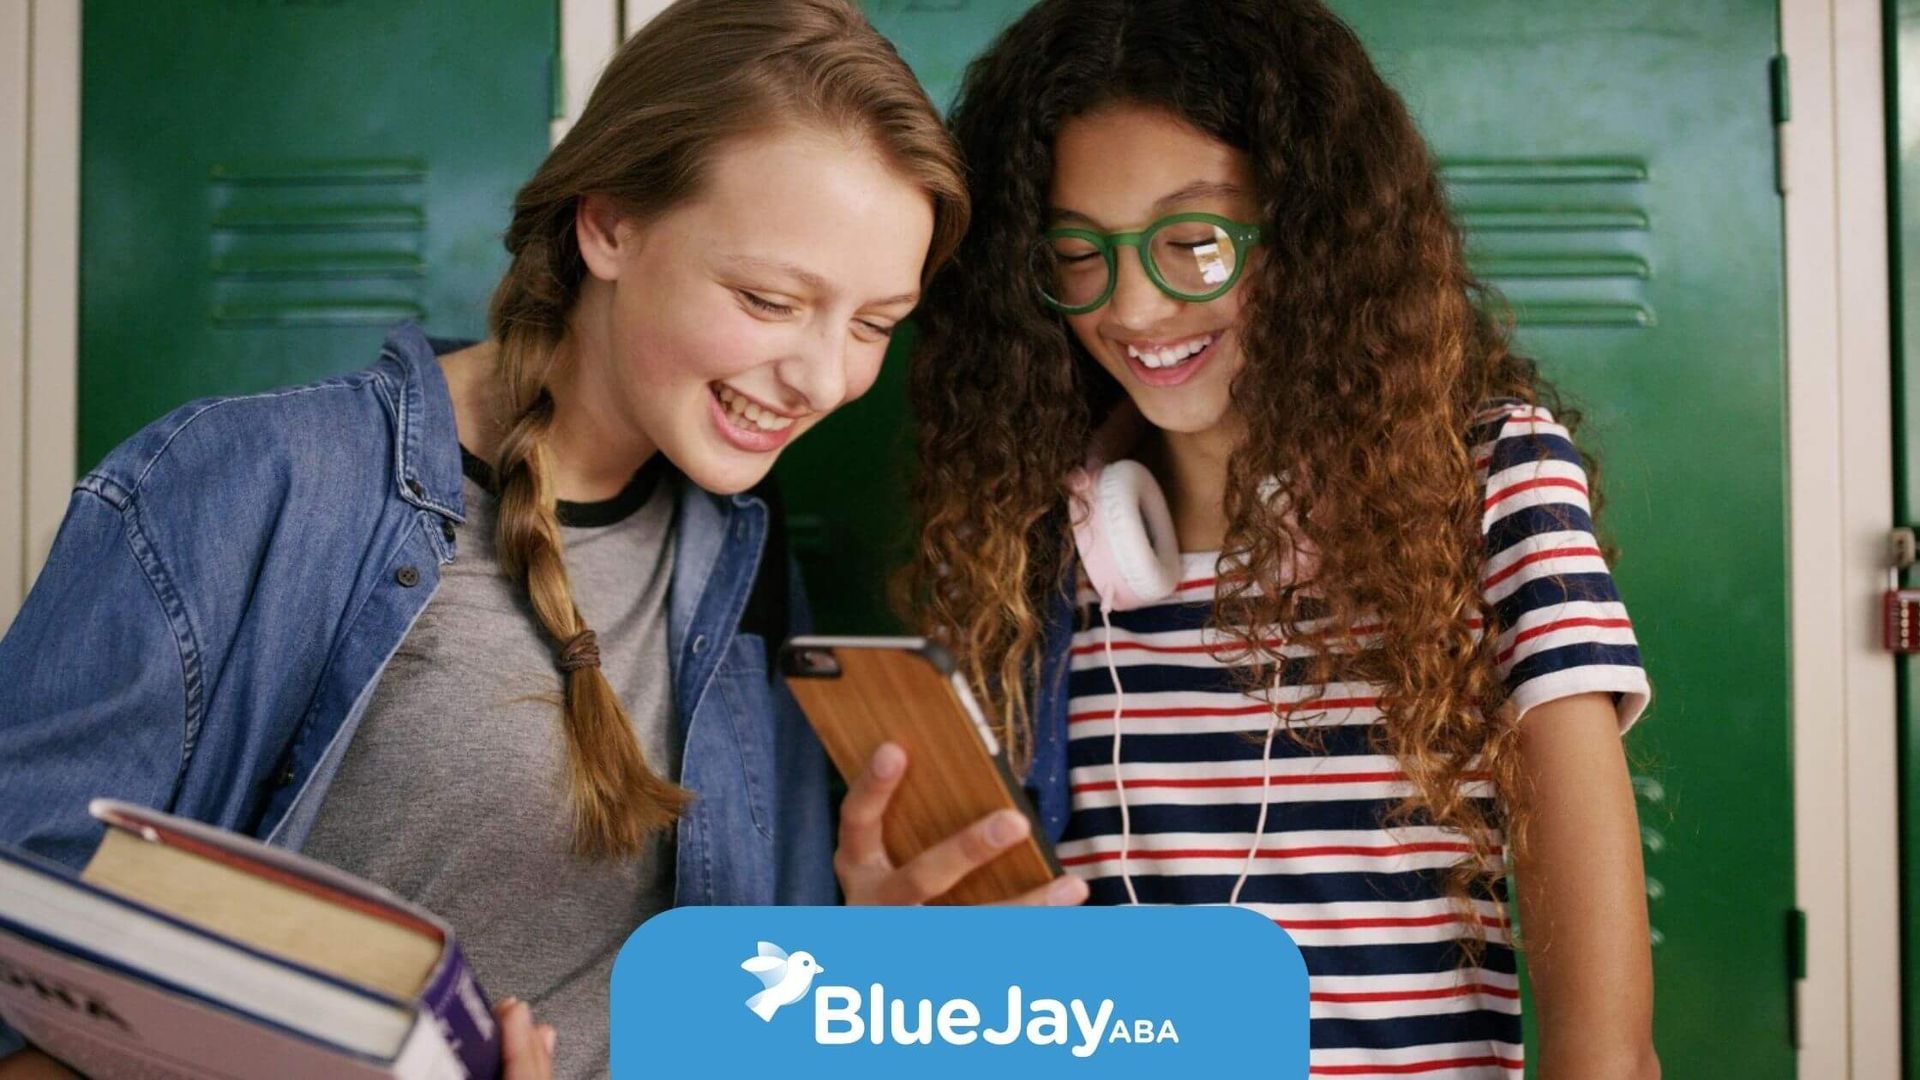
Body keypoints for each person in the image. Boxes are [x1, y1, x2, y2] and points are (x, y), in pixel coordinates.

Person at [0, 1, 966, 1076]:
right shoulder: (250, 485)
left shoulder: (737, 547)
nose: (826, 378)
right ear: (608, 225)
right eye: (771, 299)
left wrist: (867, 966)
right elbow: (28, 961)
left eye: (876, 323)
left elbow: (739, 1015)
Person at [837, 1, 1659, 1076]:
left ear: (1314, 233)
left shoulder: (1487, 482)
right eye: (1077, 253)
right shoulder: (1038, 539)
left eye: (1193, 240)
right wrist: (892, 956)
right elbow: (993, 1004)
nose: (1130, 306)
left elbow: (1606, 1054)